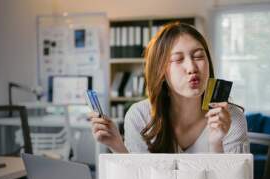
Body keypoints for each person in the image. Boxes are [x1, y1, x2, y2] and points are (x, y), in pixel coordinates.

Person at [89, 22, 248, 153]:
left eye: (199, 56)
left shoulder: (232, 117)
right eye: (178, 59)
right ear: (161, 71)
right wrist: (117, 145)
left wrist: (216, 143)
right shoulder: (140, 116)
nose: (191, 67)